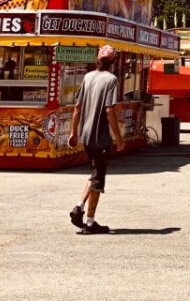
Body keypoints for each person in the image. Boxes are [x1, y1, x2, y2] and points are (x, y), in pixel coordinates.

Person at [68, 44, 124, 235]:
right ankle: (90, 222)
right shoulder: (112, 80)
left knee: (94, 174)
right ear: (113, 62)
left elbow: (77, 107)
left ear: (97, 60)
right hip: (100, 138)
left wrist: (73, 133)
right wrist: (118, 138)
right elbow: (109, 110)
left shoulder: (88, 77)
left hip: (85, 135)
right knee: (98, 179)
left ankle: (79, 208)